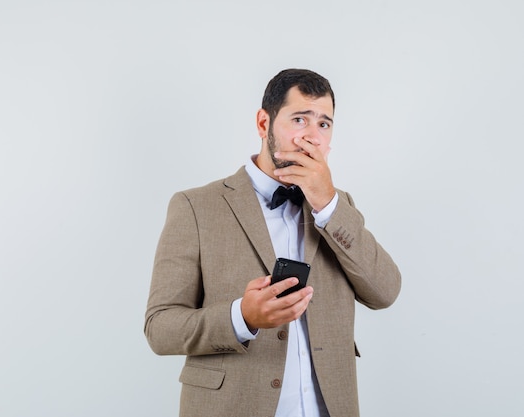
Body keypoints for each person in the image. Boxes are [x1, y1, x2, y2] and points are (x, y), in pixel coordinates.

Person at [144, 68, 401, 417]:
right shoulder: (196, 207)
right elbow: (160, 328)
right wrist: (242, 317)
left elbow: (385, 291)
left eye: (324, 124)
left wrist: (328, 206)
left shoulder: (340, 207)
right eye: (299, 119)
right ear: (264, 124)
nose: (312, 137)